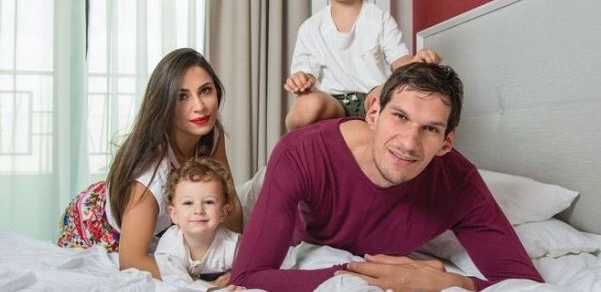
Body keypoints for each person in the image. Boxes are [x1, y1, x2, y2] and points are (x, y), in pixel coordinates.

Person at [232, 62, 543, 292]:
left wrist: (450, 282)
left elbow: (525, 284)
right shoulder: (300, 152)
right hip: (279, 199)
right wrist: (368, 276)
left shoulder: (459, 183)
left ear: (446, 143)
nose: (409, 143)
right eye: (400, 117)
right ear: (373, 113)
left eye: (430, 129)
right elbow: (247, 276)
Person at [58, 48, 243, 280]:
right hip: (95, 227)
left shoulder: (211, 134)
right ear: (164, 103)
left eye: (205, 90)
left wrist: (235, 265)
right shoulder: (151, 171)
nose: (200, 106)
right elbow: (131, 260)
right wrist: (203, 282)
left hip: (160, 226)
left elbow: (229, 201)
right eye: (182, 96)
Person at [284, 0, 440, 130]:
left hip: (372, 94)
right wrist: (301, 80)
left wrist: (418, 62)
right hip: (332, 101)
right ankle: (297, 150)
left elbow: (400, 63)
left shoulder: (380, 19)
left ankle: (377, 125)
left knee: (391, 96)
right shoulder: (311, 28)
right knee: (305, 105)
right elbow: (306, 74)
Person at [155, 158, 244, 291]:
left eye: (208, 202)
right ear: (173, 214)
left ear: (223, 212)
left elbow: (252, 269)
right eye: (188, 203)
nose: (198, 210)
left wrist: (234, 278)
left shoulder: (233, 244)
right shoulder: (170, 245)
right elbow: (177, 282)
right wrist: (212, 287)